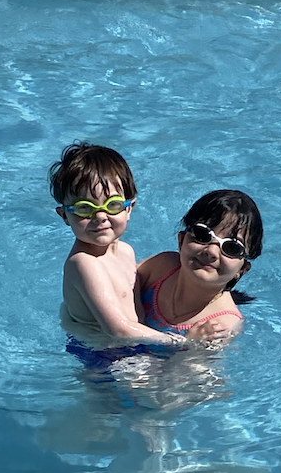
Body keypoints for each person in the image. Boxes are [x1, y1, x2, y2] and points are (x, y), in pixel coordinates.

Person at [50, 142, 211, 361]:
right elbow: (118, 330)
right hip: (103, 356)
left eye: (113, 205)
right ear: (64, 216)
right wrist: (181, 342)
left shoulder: (125, 251)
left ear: (129, 208)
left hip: (135, 342)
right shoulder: (83, 263)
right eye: (84, 208)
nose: (100, 216)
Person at [138, 189, 263, 341]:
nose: (211, 251)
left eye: (232, 247)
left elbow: (182, 366)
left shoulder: (222, 325)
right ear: (181, 241)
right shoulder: (161, 267)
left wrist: (190, 345)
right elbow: (114, 282)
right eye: (203, 234)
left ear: (242, 270)